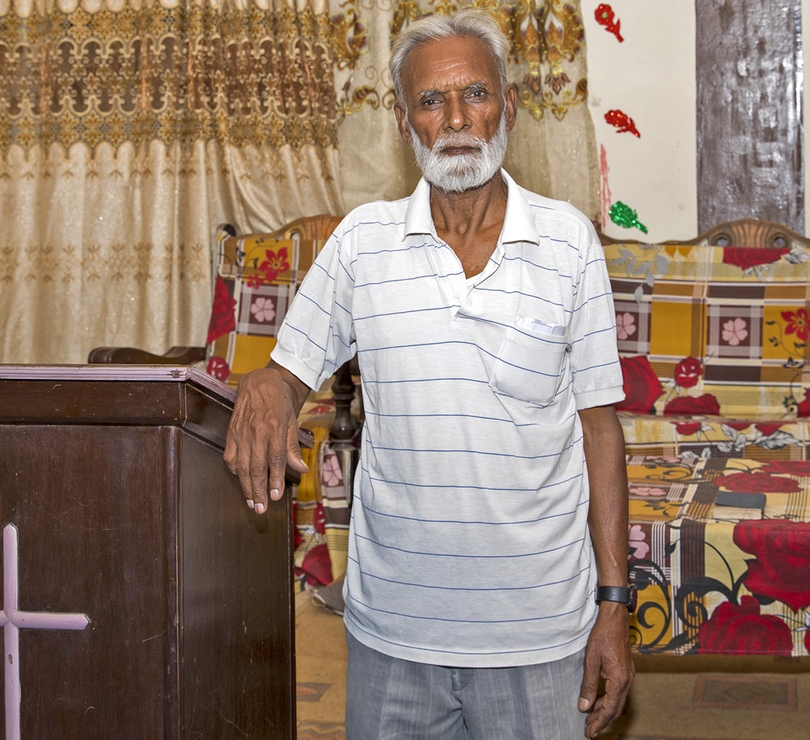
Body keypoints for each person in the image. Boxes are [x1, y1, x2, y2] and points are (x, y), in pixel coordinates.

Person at [224, 10, 634, 740]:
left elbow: (599, 432)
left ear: (507, 105)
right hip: (393, 636)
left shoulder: (569, 242)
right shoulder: (363, 243)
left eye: (475, 94)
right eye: (431, 100)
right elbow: (288, 371)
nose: (456, 120)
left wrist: (613, 605)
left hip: (538, 634)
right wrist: (268, 385)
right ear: (403, 120)